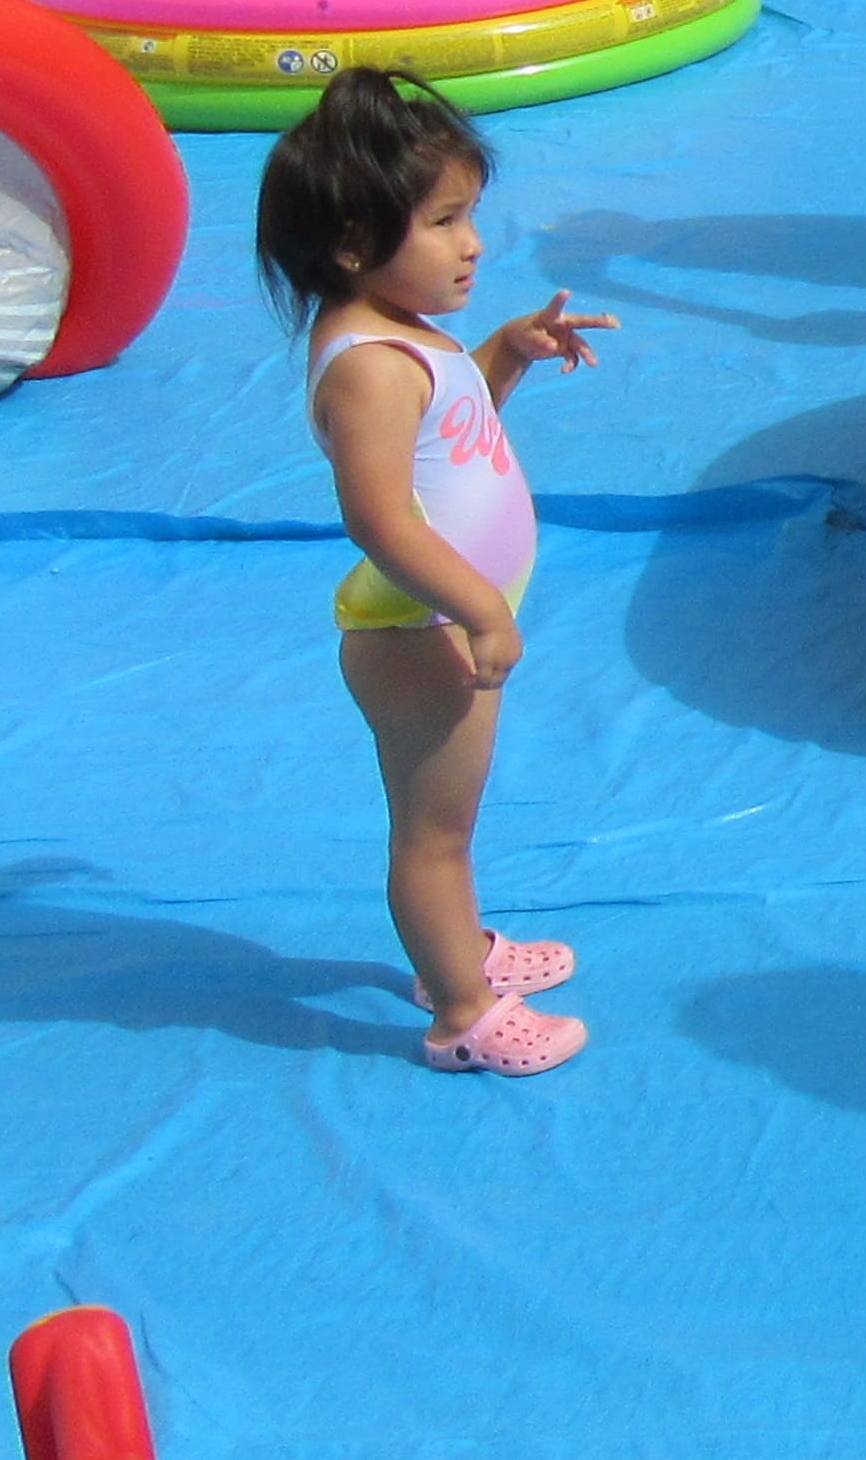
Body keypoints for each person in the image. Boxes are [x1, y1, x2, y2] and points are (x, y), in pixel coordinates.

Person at [260, 70, 613, 1079]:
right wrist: (477, 607)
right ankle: (460, 1010)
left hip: (443, 628)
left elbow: (453, 455)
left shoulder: (405, 333)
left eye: (470, 216)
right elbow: (379, 516)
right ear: (353, 247)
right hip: (421, 637)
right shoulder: (369, 364)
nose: (474, 244)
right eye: (447, 222)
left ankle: (457, 948)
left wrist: (502, 355)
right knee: (433, 834)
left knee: (450, 823)